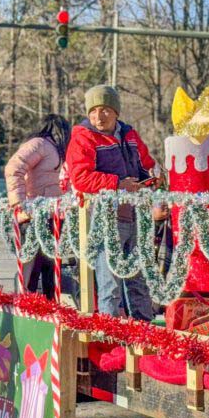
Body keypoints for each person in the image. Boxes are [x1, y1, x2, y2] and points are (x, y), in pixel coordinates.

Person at [66, 84, 160, 321]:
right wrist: (117, 183)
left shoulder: (130, 135)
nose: (99, 116)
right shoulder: (83, 138)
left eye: (105, 109)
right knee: (110, 285)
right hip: (105, 218)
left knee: (139, 281)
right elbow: (80, 178)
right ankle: (111, 341)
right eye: (93, 111)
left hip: (137, 216)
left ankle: (145, 332)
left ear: (116, 112)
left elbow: (146, 164)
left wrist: (154, 177)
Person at [6, 114, 72, 299]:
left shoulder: (56, 150)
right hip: (34, 215)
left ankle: (50, 309)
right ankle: (27, 308)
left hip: (54, 216)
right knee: (32, 270)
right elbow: (13, 168)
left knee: (51, 270)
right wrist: (19, 203)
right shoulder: (39, 144)